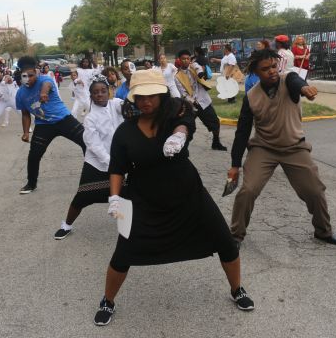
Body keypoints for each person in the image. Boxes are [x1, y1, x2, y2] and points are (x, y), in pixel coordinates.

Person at [92, 69, 254, 326]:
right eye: (140, 97)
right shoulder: (124, 131)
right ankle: (107, 300)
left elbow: (186, 121)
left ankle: (237, 289)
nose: (146, 102)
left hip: (188, 193)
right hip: (140, 199)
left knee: (225, 241)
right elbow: (116, 169)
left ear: (162, 94)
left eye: (152, 96)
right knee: (123, 252)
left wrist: (179, 135)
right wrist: (114, 198)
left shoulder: (175, 113)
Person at [228, 48, 336, 247]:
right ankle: (235, 235)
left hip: (294, 147)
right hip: (264, 149)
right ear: (256, 72)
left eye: (274, 66)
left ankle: (323, 231)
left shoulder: (289, 80)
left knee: (315, 191)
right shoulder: (251, 97)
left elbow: (297, 83)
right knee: (247, 190)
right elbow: (242, 133)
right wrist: (235, 164)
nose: (272, 71)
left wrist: (305, 89)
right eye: (265, 69)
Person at [54, 74, 124, 240]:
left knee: (126, 193)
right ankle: (67, 225)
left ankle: (125, 227)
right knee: (82, 197)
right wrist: (111, 163)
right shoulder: (90, 118)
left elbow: (128, 107)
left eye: (103, 91)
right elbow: (94, 145)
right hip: (97, 163)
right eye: (96, 92)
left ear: (109, 92)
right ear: (91, 95)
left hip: (120, 161)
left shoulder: (117, 104)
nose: (100, 94)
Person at [16, 56, 86, 194]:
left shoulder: (45, 79)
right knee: (34, 155)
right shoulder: (20, 93)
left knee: (88, 142)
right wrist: (25, 132)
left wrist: (43, 93)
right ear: (21, 76)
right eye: (25, 76)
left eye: (31, 75)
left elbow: (46, 85)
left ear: (36, 73)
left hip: (63, 119)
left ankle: (96, 174)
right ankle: (31, 184)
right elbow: (25, 114)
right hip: (43, 125)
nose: (28, 78)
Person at [174, 49, 227, 151]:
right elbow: (183, 93)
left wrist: (200, 73)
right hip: (191, 105)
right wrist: (192, 101)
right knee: (187, 126)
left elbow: (198, 68)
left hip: (203, 101)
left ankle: (216, 142)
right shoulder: (177, 77)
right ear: (179, 60)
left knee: (215, 122)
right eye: (183, 59)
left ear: (190, 59)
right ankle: (183, 147)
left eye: (187, 58)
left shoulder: (194, 66)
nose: (185, 60)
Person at [0, 69, 18, 136]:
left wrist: (4, 82)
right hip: (1, 101)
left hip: (11, 99)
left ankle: (28, 127)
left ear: (2, 73)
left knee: (21, 112)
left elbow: (8, 79)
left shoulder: (6, 77)